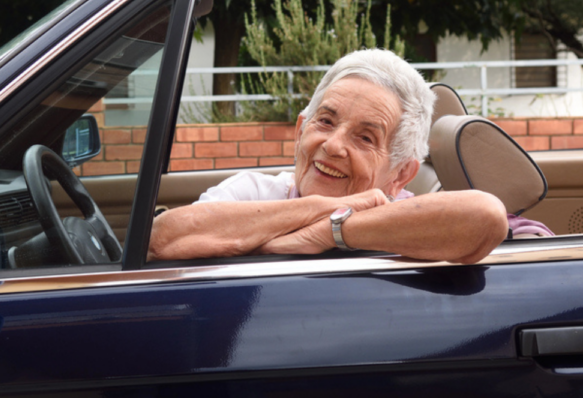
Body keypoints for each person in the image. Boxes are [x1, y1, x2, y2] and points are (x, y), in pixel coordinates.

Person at [148, 48, 510, 264]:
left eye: (365, 137)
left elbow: (486, 216)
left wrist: (329, 233)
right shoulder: (255, 192)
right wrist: (327, 207)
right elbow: (160, 239)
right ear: (300, 131)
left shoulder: (419, 217)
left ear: (400, 175)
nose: (334, 145)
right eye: (325, 121)